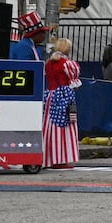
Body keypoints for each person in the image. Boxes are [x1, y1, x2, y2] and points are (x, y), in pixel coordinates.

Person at [43, 37, 82, 169]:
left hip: (51, 96)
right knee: (65, 127)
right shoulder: (68, 64)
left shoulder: (48, 63)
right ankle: (60, 159)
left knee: (50, 127)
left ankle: (49, 157)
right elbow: (74, 84)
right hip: (65, 96)